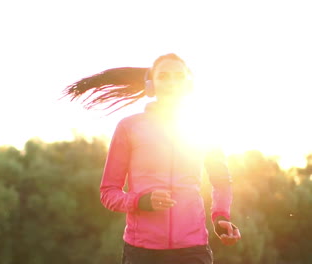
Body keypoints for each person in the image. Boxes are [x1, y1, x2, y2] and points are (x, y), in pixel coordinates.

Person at [62, 53, 241, 264]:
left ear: (188, 84)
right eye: (163, 76)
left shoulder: (204, 127)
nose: (172, 82)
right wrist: (140, 201)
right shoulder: (129, 127)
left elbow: (221, 181)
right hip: (143, 252)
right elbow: (108, 192)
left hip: (193, 250)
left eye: (178, 76)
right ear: (151, 84)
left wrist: (220, 218)